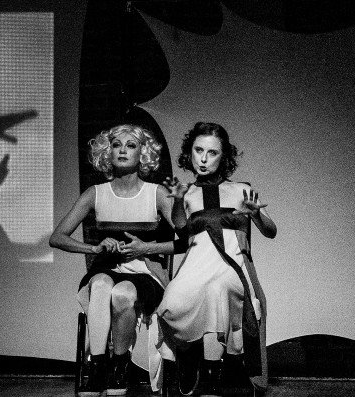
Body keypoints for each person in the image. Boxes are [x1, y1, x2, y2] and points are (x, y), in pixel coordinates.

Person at [50, 124, 179, 396]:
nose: (122, 150)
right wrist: (94, 248)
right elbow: (57, 237)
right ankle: (97, 368)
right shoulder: (96, 193)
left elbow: (187, 240)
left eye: (131, 145)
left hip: (145, 271)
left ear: (143, 153)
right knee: (100, 286)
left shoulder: (156, 193)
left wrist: (146, 247)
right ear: (107, 152)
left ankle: (119, 366)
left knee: (122, 294)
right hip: (106, 267)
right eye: (116, 145)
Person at [157, 122, 277, 397]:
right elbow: (182, 230)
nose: (203, 158)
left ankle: (212, 374)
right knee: (171, 303)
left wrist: (256, 215)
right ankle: (188, 356)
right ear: (189, 152)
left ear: (223, 157)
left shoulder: (241, 189)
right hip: (197, 264)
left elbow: (271, 231)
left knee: (217, 291)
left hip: (231, 265)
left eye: (212, 153)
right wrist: (178, 202)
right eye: (198, 150)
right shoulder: (187, 193)